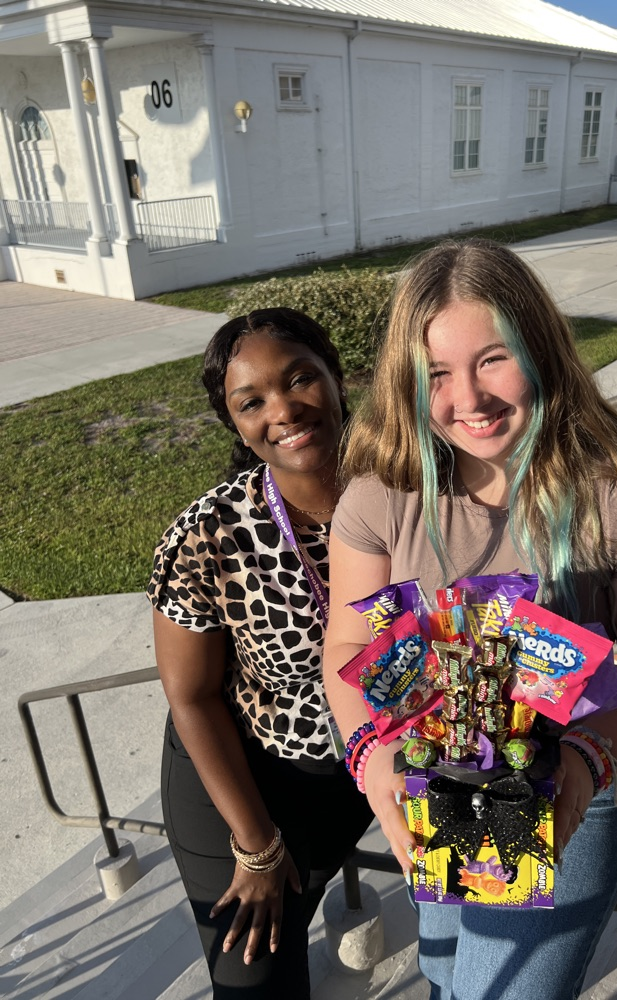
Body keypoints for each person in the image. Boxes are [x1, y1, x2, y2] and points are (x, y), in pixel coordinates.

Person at [322, 238, 617, 1000]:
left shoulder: (616, 500)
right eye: (436, 373)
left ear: (540, 350)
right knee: (443, 977)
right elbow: (347, 641)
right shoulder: (380, 495)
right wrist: (373, 768)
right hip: (432, 783)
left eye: (492, 359)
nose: (468, 399)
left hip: (567, 798)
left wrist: (587, 763)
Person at [148, 308, 373, 999]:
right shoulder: (208, 536)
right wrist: (257, 844)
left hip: (371, 766)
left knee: (481, 932)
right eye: (252, 401)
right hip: (248, 780)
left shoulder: (409, 487)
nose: (283, 409)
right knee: (257, 985)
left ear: (336, 379)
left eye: (300, 377)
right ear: (236, 424)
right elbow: (190, 696)